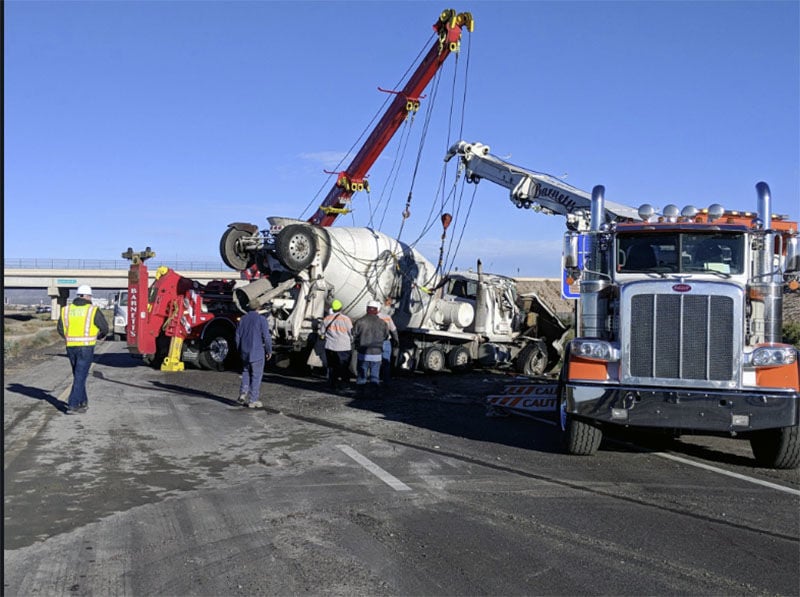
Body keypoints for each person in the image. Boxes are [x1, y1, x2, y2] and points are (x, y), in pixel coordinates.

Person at [56, 284, 109, 415]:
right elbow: (104, 327)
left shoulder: (66, 310)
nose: (90, 298)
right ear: (86, 296)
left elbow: (60, 329)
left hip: (71, 347)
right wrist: (101, 336)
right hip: (86, 347)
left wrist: (69, 337)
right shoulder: (92, 310)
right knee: (80, 376)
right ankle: (73, 404)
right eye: (90, 296)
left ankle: (83, 401)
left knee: (79, 375)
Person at [235, 306, 273, 409]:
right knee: (256, 375)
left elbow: (237, 336)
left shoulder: (243, 319)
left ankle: (243, 393)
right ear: (258, 308)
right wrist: (269, 350)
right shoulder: (261, 319)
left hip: (245, 352)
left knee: (246, 371)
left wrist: (240, 350)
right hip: (257, 352)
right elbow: (266, 336)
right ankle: (253, 400)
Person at [352, 300, 389, 399]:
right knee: (375, 376)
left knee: (362, 375)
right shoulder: (383, 323)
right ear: (377, 310)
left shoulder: (360, 321)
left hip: (363, 353)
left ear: (367, 309)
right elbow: (386, 336)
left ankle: (360, 394)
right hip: (377, 354)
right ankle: (374, 394)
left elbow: (354, 335)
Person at [322, 299, 353, 391]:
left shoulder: (327, 319)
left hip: (330, 346)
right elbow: (351, 332)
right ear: (341, 308)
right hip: (343, 347)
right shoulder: (346, 319)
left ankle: (332, 383)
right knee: (344, 367)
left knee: (332, 366)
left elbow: (322, 332)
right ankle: (344, 384)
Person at [377, 299, 399, 385]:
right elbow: (393, 330)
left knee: (375, 362)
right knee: (386, 362)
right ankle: (386, 380)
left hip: (374, 342)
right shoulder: (387, 317)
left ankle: (374, 379)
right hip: (385, 341)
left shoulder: (371, 316)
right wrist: (396, 340)